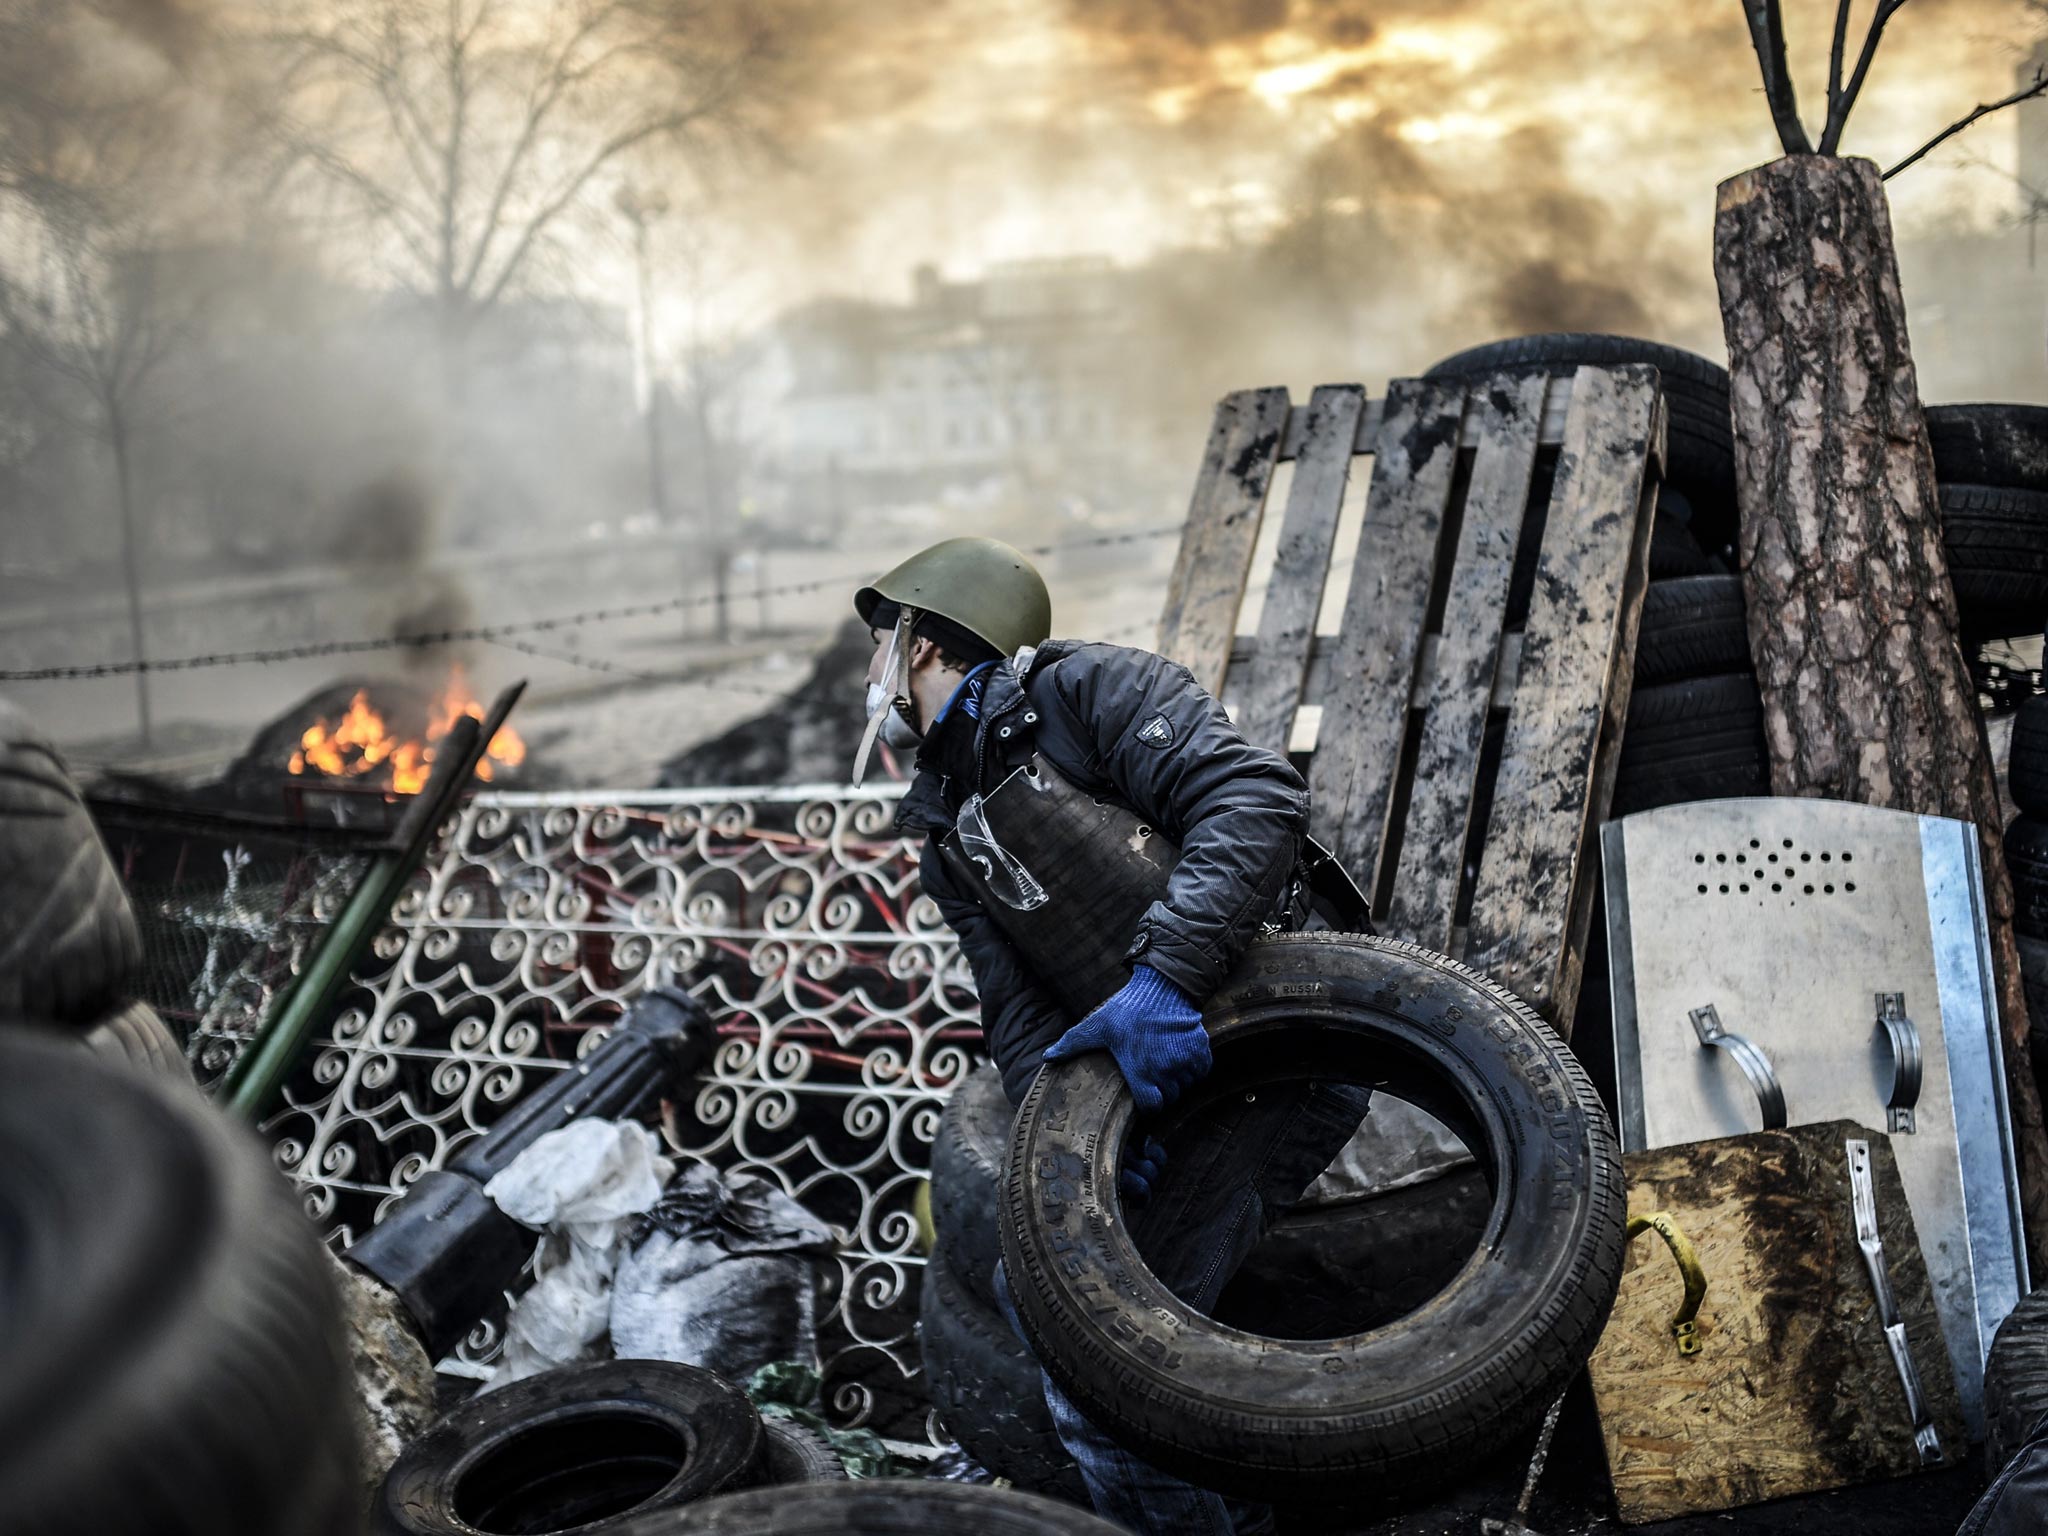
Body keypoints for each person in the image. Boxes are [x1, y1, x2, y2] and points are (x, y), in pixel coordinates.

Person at [853, 535, 1372, 1536]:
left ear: (920, 645)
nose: (870, 670)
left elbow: (1253, 800)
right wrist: (1087, 1130)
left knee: (1103, 1382)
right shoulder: (944, 824)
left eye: (880, 643)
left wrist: (1160, 981)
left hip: (1288, 1047)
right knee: (1035, 1290)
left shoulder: (1086, 691)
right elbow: (1018, 1012)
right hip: (1175, 1089)